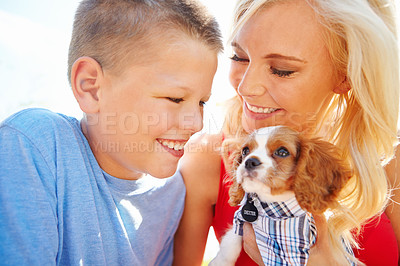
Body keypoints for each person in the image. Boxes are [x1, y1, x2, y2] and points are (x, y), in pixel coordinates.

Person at [174, 0, 400, 265]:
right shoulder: (208, 160)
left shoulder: (388, 160)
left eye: (282, 70)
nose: (246, 87)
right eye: (239, 57)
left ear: (345, 76)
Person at [0, 0, 223, 265]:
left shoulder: (171, 192)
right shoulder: (36, 145)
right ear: (91, 88)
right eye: (175, 98)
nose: (196, 124)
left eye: (202, 102)